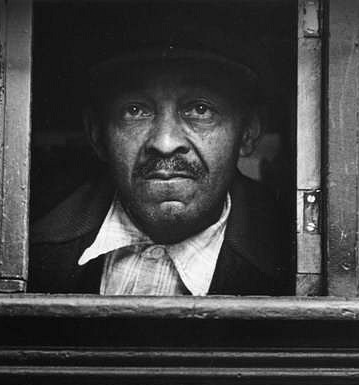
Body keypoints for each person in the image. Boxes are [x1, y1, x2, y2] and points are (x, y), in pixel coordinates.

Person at [28, 15, 290, 296]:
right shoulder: (30, 246)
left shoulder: (292, 259)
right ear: (97, 134)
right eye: (135, 111)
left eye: (200, 109)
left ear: (248, 133)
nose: (165, 143)